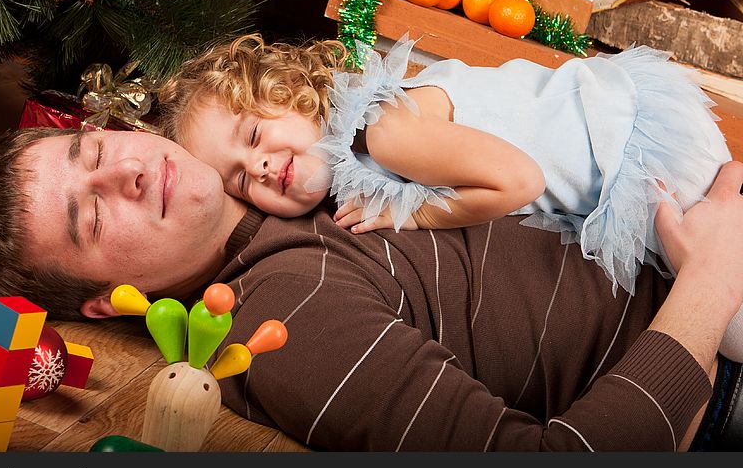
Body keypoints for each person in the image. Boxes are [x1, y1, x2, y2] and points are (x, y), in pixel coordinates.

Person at [0, 127, 743, 450]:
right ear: (99, 298)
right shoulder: (282, 319)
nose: (125, 169)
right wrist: (712, 277)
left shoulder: (285, 169)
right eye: (90, 215)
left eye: (94, 148)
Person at [155, 34, 743, 360]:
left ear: (294, 95)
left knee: (733, 328)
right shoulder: (360, 149)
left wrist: (412, 214)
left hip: (631, 156)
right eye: (238, 179)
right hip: (618, 157)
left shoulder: (384, 131)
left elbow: (519, 182)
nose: (257, 166)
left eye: (255, 135)